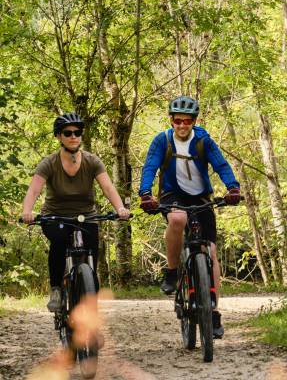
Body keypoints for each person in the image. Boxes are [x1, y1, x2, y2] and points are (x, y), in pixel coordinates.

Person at [139, 96, 241, 338]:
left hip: (201, 197)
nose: (182, 125)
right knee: (177, 220)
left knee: (211, 252)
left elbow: (221, 165)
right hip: (173, 195)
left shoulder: (203, 140)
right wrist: (145, 193)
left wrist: (233, 188)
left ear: (194, 121)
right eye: (177, 120)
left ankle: (213, 309)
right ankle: (173, 272)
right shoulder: (162, 141)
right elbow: (150, 168)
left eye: (187, 120)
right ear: (171, 120)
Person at [22, 112, 130, 312]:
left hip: (86, 215)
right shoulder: (49, 163)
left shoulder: (92, 161)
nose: (73, 136)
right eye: (68, 132)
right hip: (56, 216)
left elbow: (107, 187)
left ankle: (90, 306)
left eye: (78, 132)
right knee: (60, 241)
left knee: (92, 250)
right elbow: (35, 190)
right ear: (59, 136)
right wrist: (27, 211)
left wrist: (120, 208)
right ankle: (56, 289)